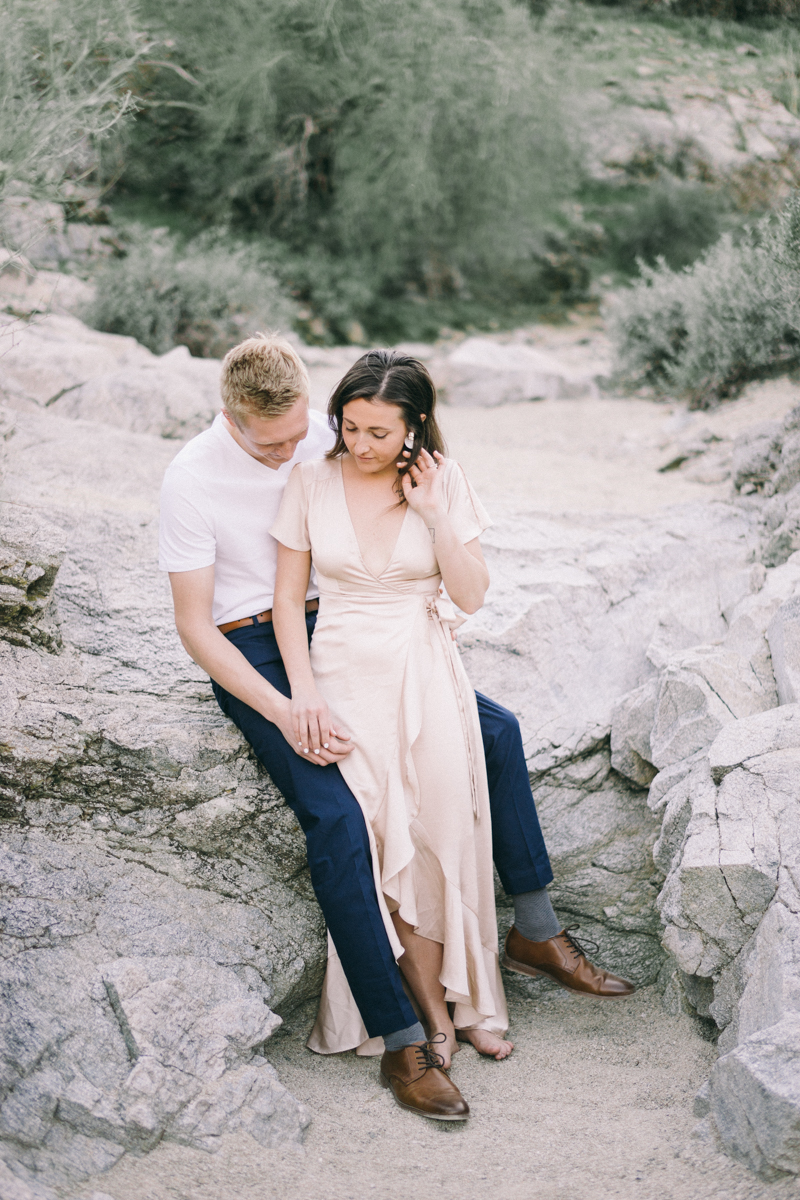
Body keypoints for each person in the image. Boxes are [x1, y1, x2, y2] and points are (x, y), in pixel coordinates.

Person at [158, 334, 635, 1123]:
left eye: (306, 431)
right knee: (341, 817)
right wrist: (288, 708)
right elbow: (195, 628)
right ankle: (403, 1033)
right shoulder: (192, 479)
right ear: (230, 418)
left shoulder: (334, 430)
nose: (296, 449)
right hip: (250, 643)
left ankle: (537, 933)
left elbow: (405, 515)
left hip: (344, 627)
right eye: (270, 442)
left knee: (497, 731)